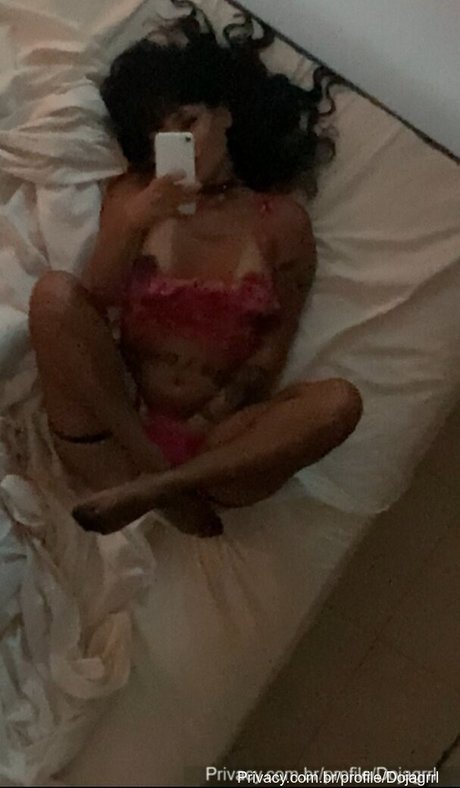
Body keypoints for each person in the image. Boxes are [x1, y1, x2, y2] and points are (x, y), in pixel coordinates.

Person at [28, 1, 362, 537]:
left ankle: (162, 487)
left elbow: (271, 352)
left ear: (225, 114)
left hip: (215, 453)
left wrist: (212, 419)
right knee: (52, 296)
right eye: (160, 136)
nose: (181, 145)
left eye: (189, 123)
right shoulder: (136, 197)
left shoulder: (282, 223)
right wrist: (136, 220)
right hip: (112, 434)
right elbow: (95, 301)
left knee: (340, 403)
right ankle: (156, 478)